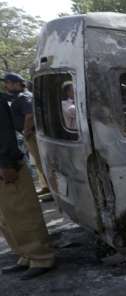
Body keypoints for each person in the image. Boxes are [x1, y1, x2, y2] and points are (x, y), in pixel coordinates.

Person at [0, 92, 56, 280]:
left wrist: (6, 163)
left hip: (7, 165)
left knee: (21, 212)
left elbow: (3, 132)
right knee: (7, 217)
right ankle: (26, 254)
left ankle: (41, 257)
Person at [3, 73, 49, 195]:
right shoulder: (20, 96)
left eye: (7, 83)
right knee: (37, 161)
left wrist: (26, 131)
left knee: (40, 161)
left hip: (32, 134)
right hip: (31, 134)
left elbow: (29, 115)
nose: (5, 85)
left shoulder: (23, 97)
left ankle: (50, 188)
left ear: (17, 84)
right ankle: (46, 185)